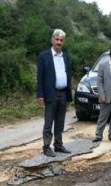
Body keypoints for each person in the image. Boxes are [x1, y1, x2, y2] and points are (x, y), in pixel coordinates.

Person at [37, 29, 72, 157]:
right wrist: (39, 95)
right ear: (52, 40)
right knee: (49, 121)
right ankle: (46, 146)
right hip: (50, 94)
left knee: (60, 121)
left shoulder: (66, 56)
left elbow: (68, 74)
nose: (59, 42)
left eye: (61, 40)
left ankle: (58, 145)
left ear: (63, 42)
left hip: (63, 93)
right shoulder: (44, 56)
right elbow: (40, 77)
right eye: (56, 39)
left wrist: (69, 92)